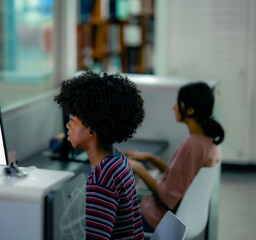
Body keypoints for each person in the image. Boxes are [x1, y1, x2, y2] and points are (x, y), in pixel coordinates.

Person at [123, 82, 225, 232]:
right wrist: (151, 158)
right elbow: (181, 177)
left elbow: (167, 195)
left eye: (178, 103)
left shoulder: (191, 145)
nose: (174, 107)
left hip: (158, 219)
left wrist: (137, 168)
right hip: (179, 218)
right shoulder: (206, 142)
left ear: (189, 110)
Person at [54, 71, 145, 240]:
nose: (67, 125)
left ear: (93, 127)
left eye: (73, 120)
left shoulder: (102, 178)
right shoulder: (118, 160)